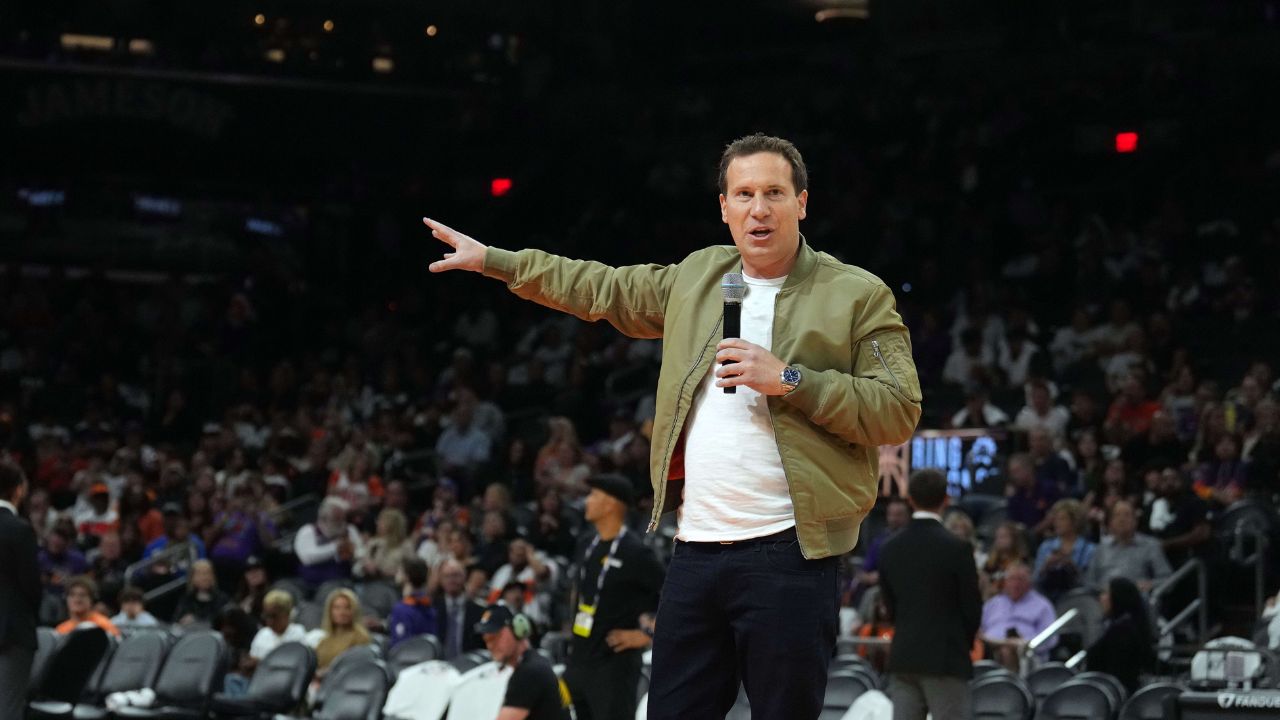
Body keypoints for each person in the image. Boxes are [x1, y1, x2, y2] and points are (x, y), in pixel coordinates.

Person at [426, 133, 921, 718]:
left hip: (790, 554)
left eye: (773, 193)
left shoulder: (857, 294)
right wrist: (496, 262)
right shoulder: (697, 277)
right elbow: (600, 287)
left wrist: (790, 378)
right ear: (724, 208)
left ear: (802, 203)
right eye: (744, 194)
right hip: (695, 551)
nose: (758, 208)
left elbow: (898, 409)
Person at [878, 469, 983, 720]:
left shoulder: (890, 547)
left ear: (910, 500)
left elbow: (889, 605)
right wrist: (962, 642)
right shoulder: (958, 548)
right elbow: (972, 608)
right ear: (946, 499)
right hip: (945, 658)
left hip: (904, 655)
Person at [563, 474, 665, 720]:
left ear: (611, 504)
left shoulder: (636, 553)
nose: (587, 501)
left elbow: (675, 597)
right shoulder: (586, 543)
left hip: (614, 666)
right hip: (579, 658)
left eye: (594, 495)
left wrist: (646, 635)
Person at [474, 604, 571, 720]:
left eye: (496, 636)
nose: (490, 645)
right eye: (487, 639)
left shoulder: (528, 673)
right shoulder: (537, 662)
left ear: (517, 630)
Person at [0, 462, 41, 720]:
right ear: (18, 490)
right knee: (7, 710)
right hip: (12, 631)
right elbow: (31, 588)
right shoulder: (20, 529)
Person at [1085, 577, 1156, 694]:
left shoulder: (1123, 632)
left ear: (1118, 597)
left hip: (1114, 697)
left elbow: (1119, 675)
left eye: (1105, 593)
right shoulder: (1121, 626)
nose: (1101, 598)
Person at [979, 563, 1056, 670]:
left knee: (1007, 650)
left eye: (1020, 579)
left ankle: (1010, 684)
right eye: (1012, 579)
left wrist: (1026, 644)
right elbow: (979, 629)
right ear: (1005, 582)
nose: (1016, 584)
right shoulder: (993, 603)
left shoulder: (1042, 605)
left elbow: (1050, 638)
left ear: (1029, 583)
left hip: (1026, 654)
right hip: (989, 646)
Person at [1086, 500, 1172, 593]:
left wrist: (1150, 584)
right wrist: (1102, 589)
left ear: (1135, 521)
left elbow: (1167, 579)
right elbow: (1089, 583)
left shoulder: (1150, 545)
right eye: (1117, 515)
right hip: (1104, 598)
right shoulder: (1100, 549)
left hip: (1136, 598)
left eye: (1127, 515)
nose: (1122, 519)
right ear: (1110, 522)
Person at [1031, 499, 1096, 601]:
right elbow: (1034, 581)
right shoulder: (1045, 547)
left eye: (1062, 519)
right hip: (1048, 596)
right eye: (1056, 519)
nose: (1057, 523)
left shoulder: (1089, 549)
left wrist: (1071, 566)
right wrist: (1046, 566)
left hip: (1077, 598)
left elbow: (1090, 583)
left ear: (1075, 521)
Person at [294, 497, 363, 588]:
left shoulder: (349, 530)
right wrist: (335, 547)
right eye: (336, 519)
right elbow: (307, 558)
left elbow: (360, 552)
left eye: (343, 518)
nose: (341, 523)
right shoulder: (307, 531)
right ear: (323, 518)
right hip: (311, 583)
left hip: (343, 581)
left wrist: (354, 553)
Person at [307, 588, 372, 678]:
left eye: (347, 607)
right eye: (337, 608)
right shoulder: (324, 639)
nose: (342, 612)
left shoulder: (360, 637)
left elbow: (355, 667)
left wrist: (324, 673)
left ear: (354, 611)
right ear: (330, 611)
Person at [432, 558, 486, 658]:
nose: (451, 580)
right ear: (440, 579)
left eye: (456, 575)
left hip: (469, 664)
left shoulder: (479, 610)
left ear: (464, 577)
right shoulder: (432, 608)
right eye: (447, 576)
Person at [248, 589, 307, 671]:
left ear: (287, 614)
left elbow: (297, 665)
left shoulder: (298, 633)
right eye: (267, 616)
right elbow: (253, 660)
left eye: (274, 616)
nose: (270, 621)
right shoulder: (262, 634)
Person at [388, 557, 438, 648]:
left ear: (406, 576)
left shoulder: (402, 609)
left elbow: (399, 644)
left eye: (400, 571)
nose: (396, 574)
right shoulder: (430, 604)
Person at [55, 576, 121, 637]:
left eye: (82, 595)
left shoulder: (103, 626)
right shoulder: (61, 629)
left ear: (91, 599)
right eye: (72, 595)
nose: (77, 599)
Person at [173, 559, 231, 625]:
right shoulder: (186, 599)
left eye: (207, 573)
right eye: (199, 574)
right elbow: (175, 623)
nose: (204, 577)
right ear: (192, 578)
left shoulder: (222, 599)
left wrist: (197, 621)